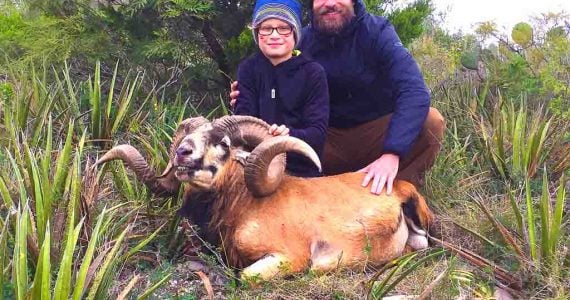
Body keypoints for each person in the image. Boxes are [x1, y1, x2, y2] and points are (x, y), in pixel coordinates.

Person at [231, 0, 445, 194]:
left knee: (431, 123)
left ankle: (397, 194)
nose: (330, 3)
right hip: (323, 140)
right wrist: (246, 100)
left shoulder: (378, 32)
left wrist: (392, 152)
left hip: (374, 136)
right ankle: (314, 190)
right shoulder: (299, 40)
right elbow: (275, 80)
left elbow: (414, 91)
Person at [233, 0, 330, 177]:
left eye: (284, 27)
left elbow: (317, 133)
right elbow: (242, 123)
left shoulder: (313, 72)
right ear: (257, 32)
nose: (274, 35)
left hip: (302, 172)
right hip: (255, 169)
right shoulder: (247, 69)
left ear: (295, 32)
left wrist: (289, 135)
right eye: (266, 28)